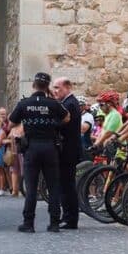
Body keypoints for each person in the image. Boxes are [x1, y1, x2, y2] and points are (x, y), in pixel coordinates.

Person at [8, 72, 69, 232]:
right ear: (47, 86)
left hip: (32, 148)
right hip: (50, 147)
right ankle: (54, 223)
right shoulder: (53, 103)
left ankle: (28, 223)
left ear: (33, 85)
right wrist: (53, 123)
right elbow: (67, 117)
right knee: (53, 186)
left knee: (31, 187)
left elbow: (11, 122)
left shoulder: (24, 104)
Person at [52, 76, 82, 230]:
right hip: (67, 150)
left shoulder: (69, 104)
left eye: (58, 88)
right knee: (65, 185)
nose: (55, 91)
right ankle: (68, 216)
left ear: (68, 87)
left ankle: (70, 218)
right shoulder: (67, 103)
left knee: (67, 186)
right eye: (54, 88)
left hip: (68, 151)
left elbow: (61, 125)